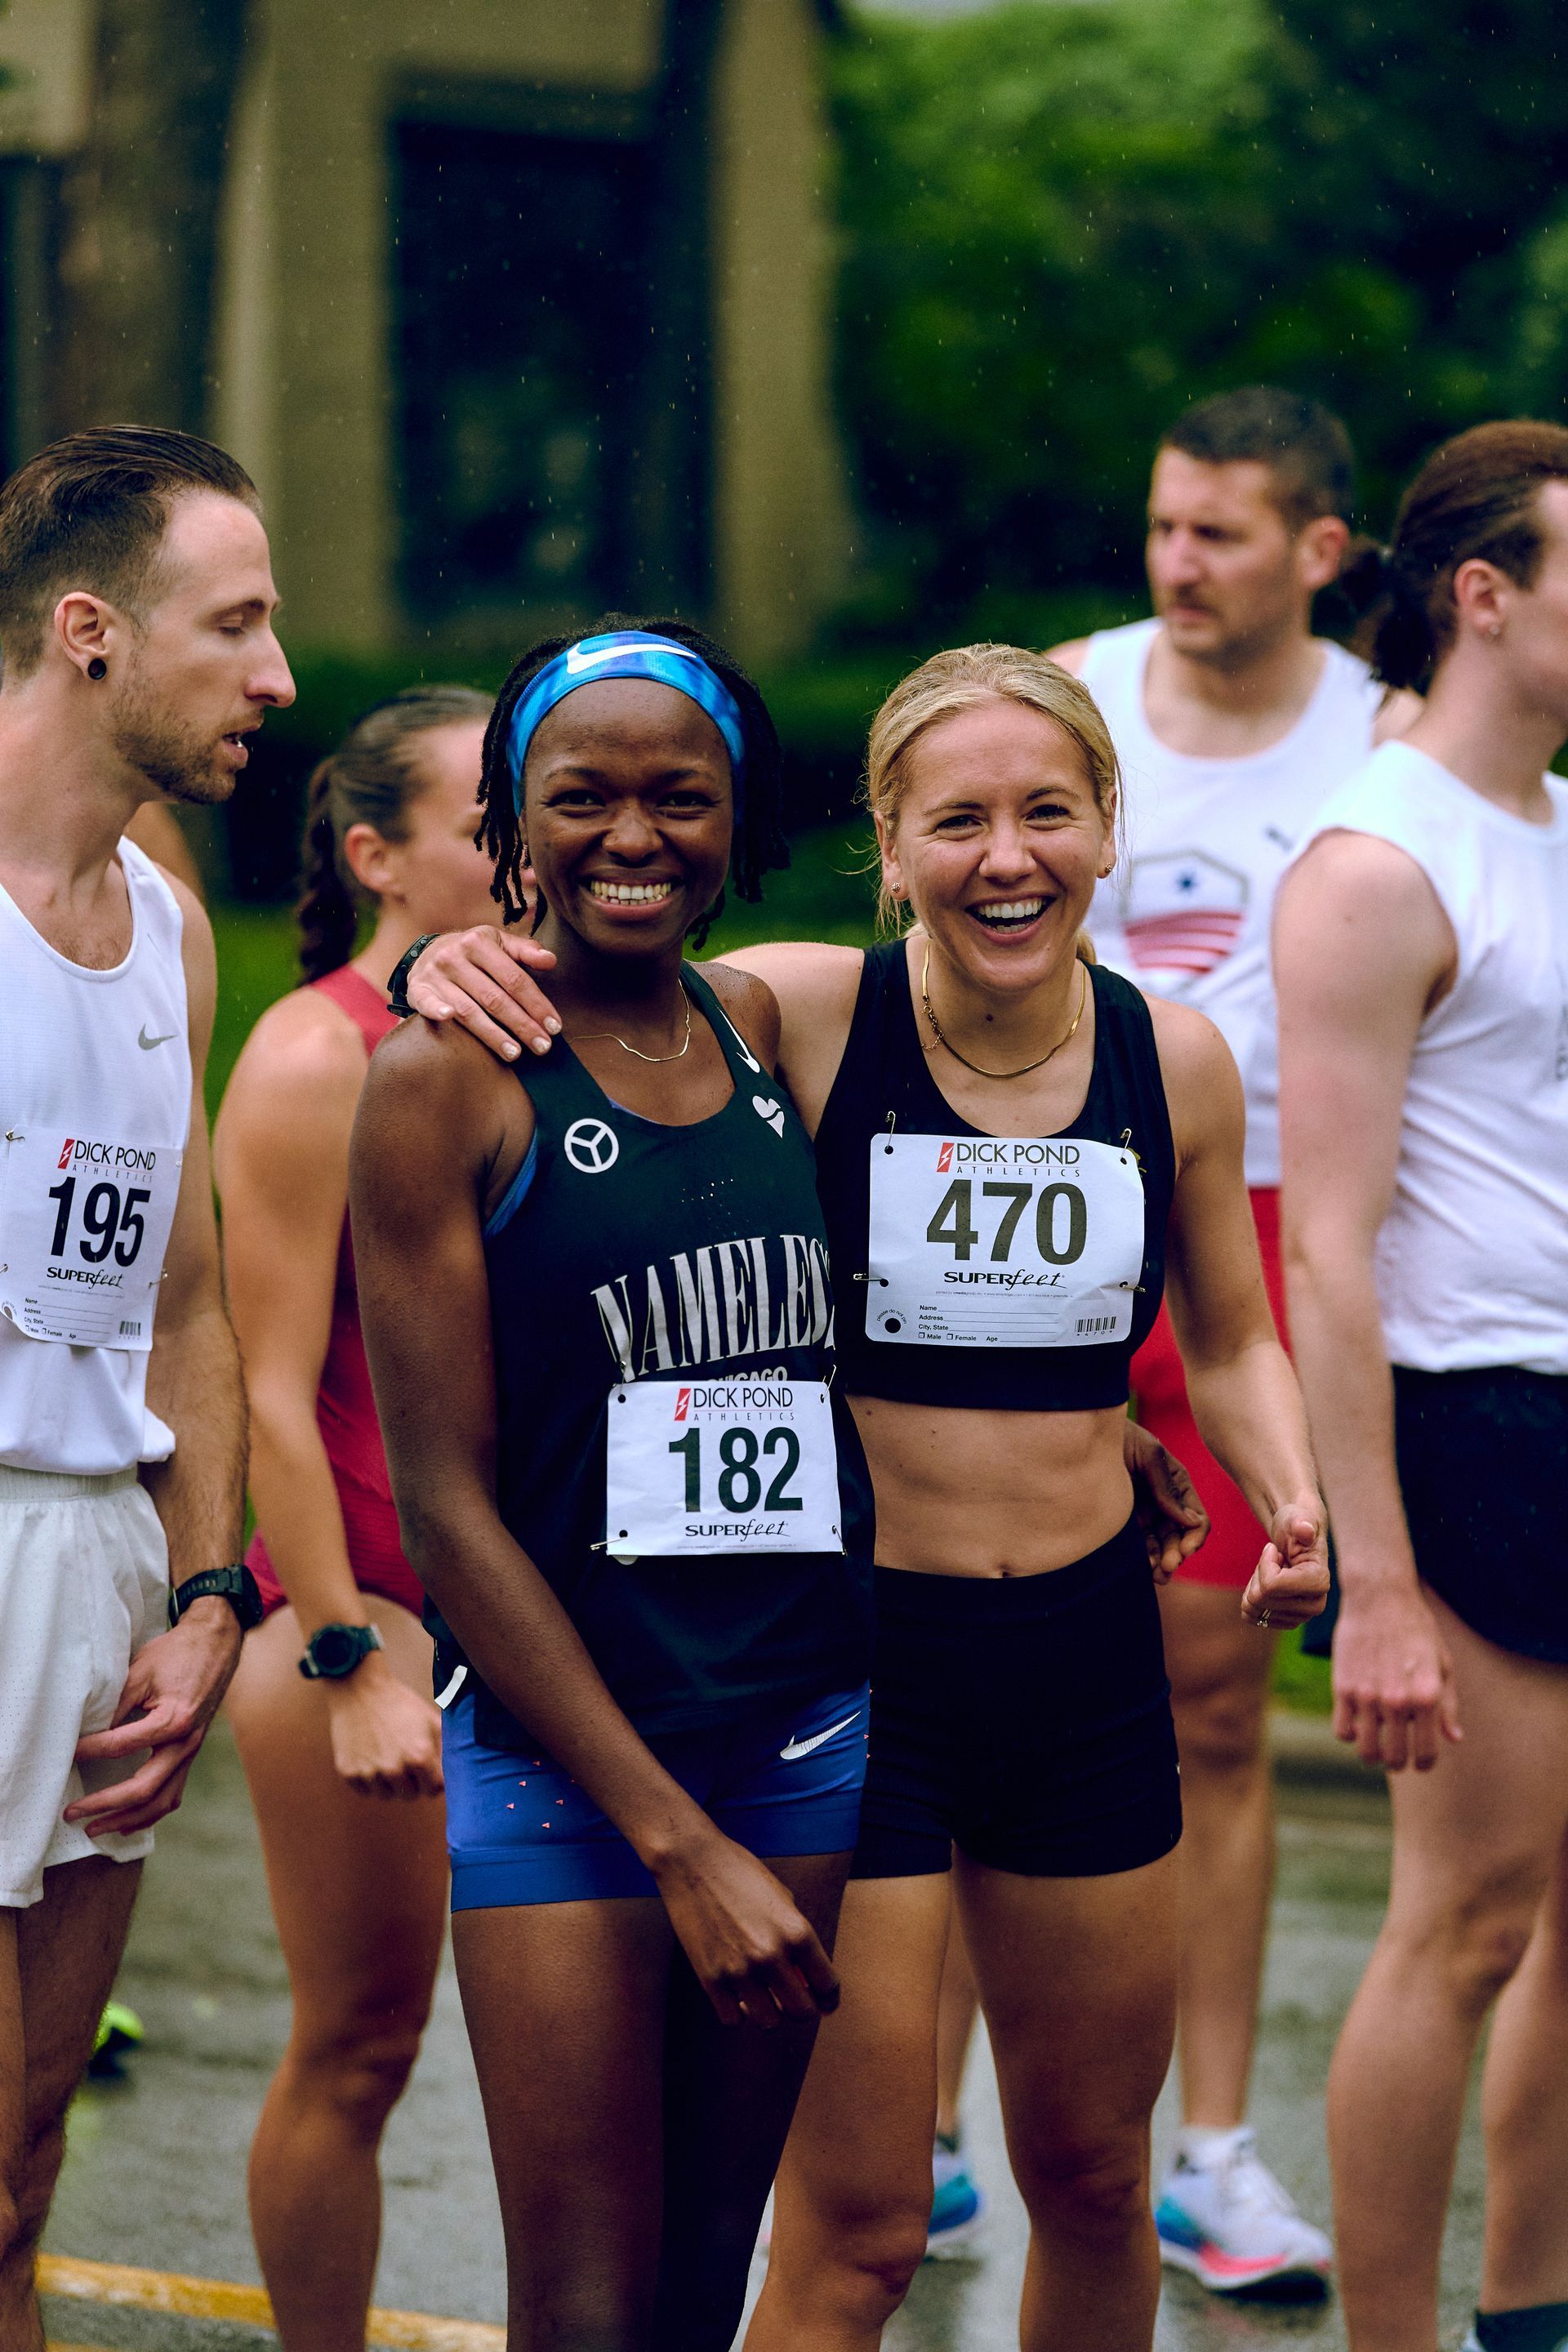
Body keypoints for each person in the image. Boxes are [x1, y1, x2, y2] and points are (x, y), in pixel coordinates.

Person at [395, 640, 1330, 2352]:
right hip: (859, 1665)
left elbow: (1238, 1331)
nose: (1007, 855)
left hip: (1083, 1657)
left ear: (1110, 828)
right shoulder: (797, 1012)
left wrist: (1285, 1488)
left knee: (1100, 2179)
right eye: (956, 818)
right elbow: (612, 973)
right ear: (887, 849)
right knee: (863, 2228)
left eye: (1048, 811)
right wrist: (457, 957)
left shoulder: (1172, 1058)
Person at [350, 623, 879, 2352]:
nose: (633, 836)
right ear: (512, 824)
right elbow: (445, 1509)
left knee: (695, 2295)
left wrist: (1087, 1420)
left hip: (796, 1734)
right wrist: (678, 1842)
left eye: (682, 798)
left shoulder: (766, 1030)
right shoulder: (442, 1084)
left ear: (742, 822)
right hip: (572, 1769)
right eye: (582, 799)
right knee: (580, 2314)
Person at [938, 385, 1407, 2295]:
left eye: (1220, 531)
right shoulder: (1071, 694)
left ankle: (1208, 2150)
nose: (1177, 563)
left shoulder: (1380, 737)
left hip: (1269, 1221)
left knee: (1215, 1706)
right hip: (1056, 1193)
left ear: (1319, 549)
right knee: (973, 1673)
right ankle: (933, 2136)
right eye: (1162, 525)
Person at [1276, 421, 1568, 2352]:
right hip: (1477, 1429)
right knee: (1463, 1922)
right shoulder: (1378, 863)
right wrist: (1374, 1580)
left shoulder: (1550, 827)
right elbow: (1326, 1246)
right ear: (1487, 595)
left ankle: (1533, 2307)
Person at [0, 424, 292, 2341]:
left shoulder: (173, 931)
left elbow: (188, 1310)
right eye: (238, 625)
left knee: (24, 2162)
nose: (277, 678)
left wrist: (204, 1601)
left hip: (98, 1573)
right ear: (93, 632)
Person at [216, 688, 494, 2350]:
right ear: (383, 858)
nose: (526, 851)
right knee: (363, 2045)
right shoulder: (316, 1052)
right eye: (488, 823)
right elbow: (264, 1394)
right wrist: (348, 1654)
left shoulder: (550, 1029)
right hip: (361, 1618)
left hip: (539, 1621)